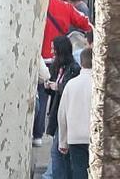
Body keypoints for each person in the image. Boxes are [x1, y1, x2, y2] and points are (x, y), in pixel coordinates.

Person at [46, 35, 81, 179]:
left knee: (58, 152)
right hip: (57, 113)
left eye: (54, 48)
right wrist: (48, 86)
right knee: (60, 152)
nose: (51, 51)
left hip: (66, 115)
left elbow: (69, 89)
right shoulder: (57, 67)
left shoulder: (73, 69)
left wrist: (57, 87)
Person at [58, 47, 92, 179]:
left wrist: (62, 141)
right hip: (97, 136)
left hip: (75, 137)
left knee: (79, 172)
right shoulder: (102, 85)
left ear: (81, 63)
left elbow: (62, 115)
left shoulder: (71, 85)